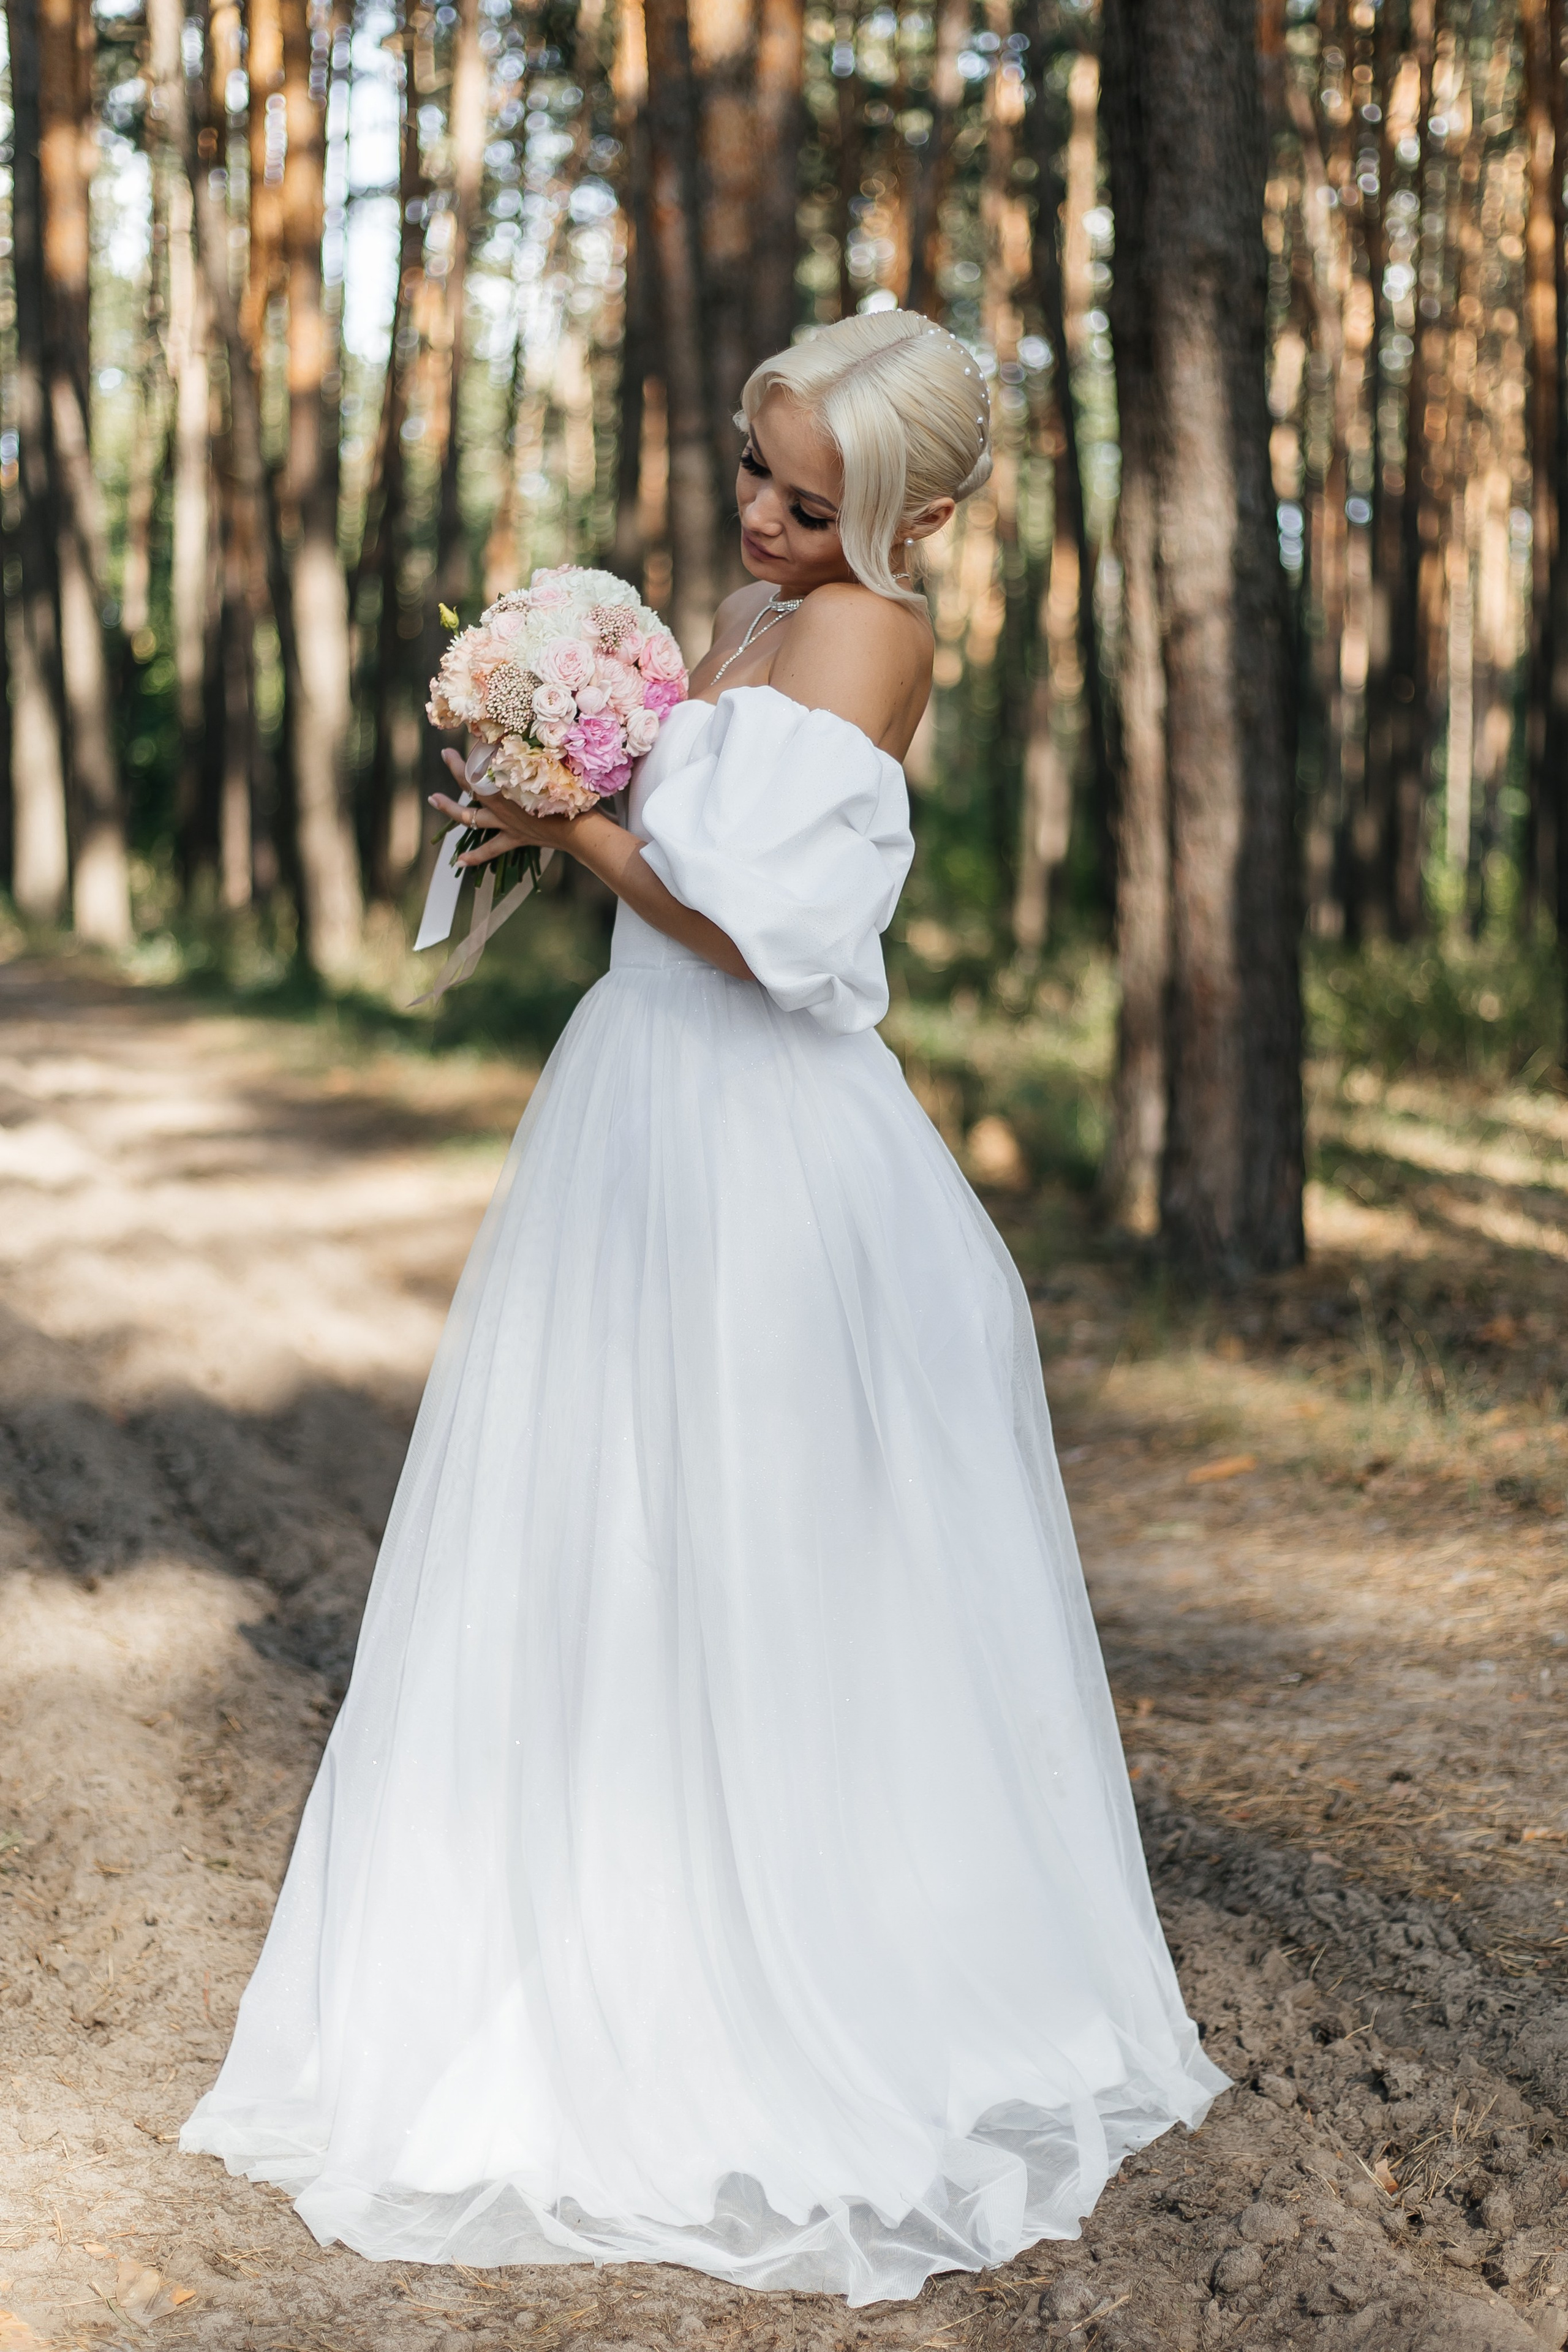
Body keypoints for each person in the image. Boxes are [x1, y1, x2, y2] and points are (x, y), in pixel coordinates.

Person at [181, 309, 1226, 2306]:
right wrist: (538, 783)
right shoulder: (747, 620)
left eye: (810, 500)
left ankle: (799, 1954)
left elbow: (757, 935)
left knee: (757, 1542)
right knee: (601, 1530)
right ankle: (585, 1932)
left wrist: (573, 819)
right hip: (633, 1108)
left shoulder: (870, 641)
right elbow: (674, 848)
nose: (760, 519)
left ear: (909, 514)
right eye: (753, 472)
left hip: (763, 1137)